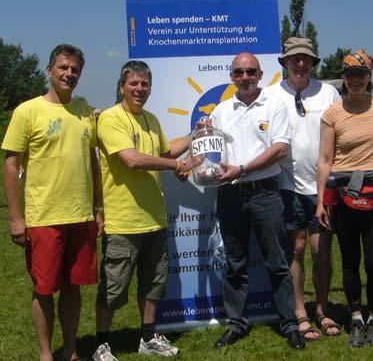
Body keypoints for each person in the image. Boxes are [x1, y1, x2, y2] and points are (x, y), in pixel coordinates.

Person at [2, 44, 100, 361]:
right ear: (49, 70)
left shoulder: (85, 110)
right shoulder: (27, 111)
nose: (68, 74)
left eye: (74, 70)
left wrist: (98, 208)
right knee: (44, 290)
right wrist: (16, 218)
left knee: (73, 288)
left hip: (81, 215)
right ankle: (46, 354)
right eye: (62, 68)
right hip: (43, 218)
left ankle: (70, 351)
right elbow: (11, 165)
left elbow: (92, 162)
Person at [93, 60, 191, 360]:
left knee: (153, 284)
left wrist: (196, 134)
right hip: (123, 221)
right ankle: (101, 344)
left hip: (154, 219)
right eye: (133, 84)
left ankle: (148, 337)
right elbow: (132, 160)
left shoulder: (151, 119)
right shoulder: (111, 118)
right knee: (113, 288)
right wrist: (175, 165)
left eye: (144, 84)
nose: (139, 89)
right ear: (122, 86)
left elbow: (164, 152)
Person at [210, 52, 305, 350]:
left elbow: (280, 150)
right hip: (230, 195)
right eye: (239, 73)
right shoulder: (221, 111)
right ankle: (237, 323)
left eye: (251, 71)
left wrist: (242, 169)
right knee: (235, 263)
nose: (245, 77)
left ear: (261, 74)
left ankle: (289, 323)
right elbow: (208, 150)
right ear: (231, 77)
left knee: (277, 262)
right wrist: (194, 161)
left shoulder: (275, 105)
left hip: (265, 193)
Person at [316, 49, 373, 347]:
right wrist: (320, 201)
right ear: (344, 78)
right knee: (350, 261)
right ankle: (355, 317)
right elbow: (324, 159)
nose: (355, 80)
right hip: (343, 193)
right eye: (350, 74)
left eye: (361, 74)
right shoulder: (333, 112)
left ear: (369, 76)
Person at [266, 37, 341, 340]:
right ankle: (299, 311)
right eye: (294, 58)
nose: (300, 64)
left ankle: (322, 309)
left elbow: (345, 128)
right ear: (284, 62)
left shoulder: (329, 92)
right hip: (287, 185)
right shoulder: (271, 95)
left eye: (306, 59)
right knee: (295, 250)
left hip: (324, 185)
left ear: (312, 63)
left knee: (321, 250)